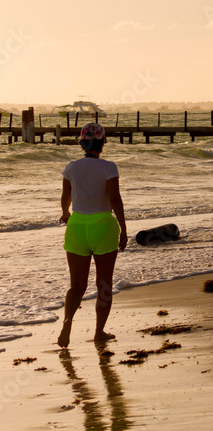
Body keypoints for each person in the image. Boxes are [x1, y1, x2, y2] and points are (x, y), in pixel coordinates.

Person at [58, 122, 127, 347]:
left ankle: (67, 322)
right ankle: (99, 332)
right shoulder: (109, 167)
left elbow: (65, 198)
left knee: (76, 285)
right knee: (103, 285)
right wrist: (124, 229)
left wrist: (64, 213)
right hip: (102, 227)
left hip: (77, 227)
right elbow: (115, 200)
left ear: (82, 142)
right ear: (102, 143)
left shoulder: (70, 167)